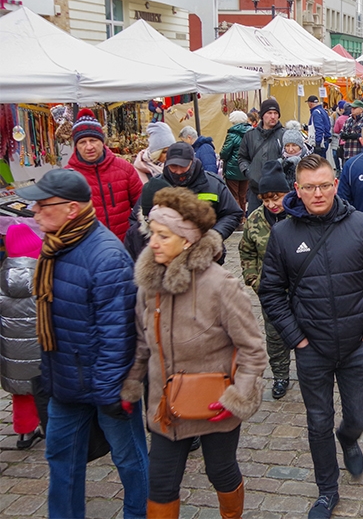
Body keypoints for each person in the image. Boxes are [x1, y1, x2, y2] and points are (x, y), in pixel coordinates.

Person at [258, 154, 363, 519]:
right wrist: (296, 339)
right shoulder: (283, 234)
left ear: (335, 185)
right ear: (297, 191)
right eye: (309, 187)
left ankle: (349, 438)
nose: (317, 193)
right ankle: (327, 490)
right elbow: (270, 291)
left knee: (359, 415)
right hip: (311, 348)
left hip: (356, 346)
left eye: (324, 185)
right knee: (318, 421)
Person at [121, 186, 267, 518]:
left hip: (214, 406)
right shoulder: (149, 284)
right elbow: (143, 342)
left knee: (221, 472)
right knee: (159, 484)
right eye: (152, 234)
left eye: (163, 235)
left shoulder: (221, 285)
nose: (152, 243)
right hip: (166, 408)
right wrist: (132, 383)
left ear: (187, 240)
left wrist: (238, 396)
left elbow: (253, 349)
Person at [16, 169, 149, 519]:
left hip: (108, 388)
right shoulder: (55, 246)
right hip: (65, 384)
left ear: (72, 209)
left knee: (130, 462)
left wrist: (109, 395)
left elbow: (118, 334)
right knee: (61, 460)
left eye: (45, 205)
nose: (35, 212)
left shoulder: (106, 256)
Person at [239, 161, 297, 400]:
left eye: (277, 197)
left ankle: (311, 372)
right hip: (270, 290)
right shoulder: (254, 220)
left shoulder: (298, 215)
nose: (272, 204)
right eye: (266, 200)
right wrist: (255, 280)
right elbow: (247, 251)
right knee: (274, 335)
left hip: (301, 289)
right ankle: (281, 375)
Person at [66, 109, 144, 241]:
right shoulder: (67, 176)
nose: (89, 146)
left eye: (93, 140)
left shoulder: (124, 169)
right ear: (76, 146)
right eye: (82, 142)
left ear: (102, 141)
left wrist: (134, 232)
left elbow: (141, 204)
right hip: (90, 247)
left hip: (124, 244)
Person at [0, 224, 44, 449]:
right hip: (41, 351)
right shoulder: (43, 277)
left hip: (14, 355)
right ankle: (49, 426)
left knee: (21, 394)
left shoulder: (2, 280)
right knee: (47, 390)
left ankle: (25, 434)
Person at [239, 98, 285, 213]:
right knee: (254, 225)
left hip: (277, 193)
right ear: (262, 115)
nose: (273, 117)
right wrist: (248, 171)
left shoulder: (284, 135)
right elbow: (242, 157)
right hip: (256, 190)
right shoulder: (250, 135)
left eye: (275, 113)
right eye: (269, 113)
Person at [220, 110, 253, 217]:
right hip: (246, 168)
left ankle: (237, 218)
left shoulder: (232, 134)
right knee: (243, 195)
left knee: (234, 195)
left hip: (232, 169)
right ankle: (243, 217)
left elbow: (225, 153)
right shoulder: (251, 133)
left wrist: (222, 156)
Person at [280, 121, 312, 187]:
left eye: (294, 145)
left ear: (300, 146)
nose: (290, 149)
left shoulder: (309, 160)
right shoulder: (281, 161)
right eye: (287, 146)